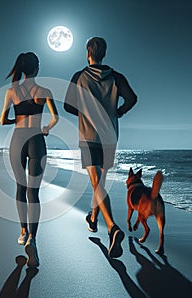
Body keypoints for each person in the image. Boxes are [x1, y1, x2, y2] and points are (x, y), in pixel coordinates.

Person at [64, 37, 137, 258]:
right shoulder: (116, 76)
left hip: (88, 135)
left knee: (97, 182)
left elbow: (68, 105)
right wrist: (119, 112)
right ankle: (93, 219)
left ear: (88, 52)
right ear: (104, 53)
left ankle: (113, 227)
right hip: (110, 136)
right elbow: (132, 98)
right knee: (100, 182)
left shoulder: (79, 77)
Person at [0, 52, 58, 267]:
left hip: (17, 139)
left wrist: (19, 119)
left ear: (23, 68)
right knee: (34, 192)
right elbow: (55, 118)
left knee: (20, 187)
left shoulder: (11, 91)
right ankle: (33, 238)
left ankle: (23, 231)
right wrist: (46, 128)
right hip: (37, 139)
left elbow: (3, 119)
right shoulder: (44, 91)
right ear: (37, 68)